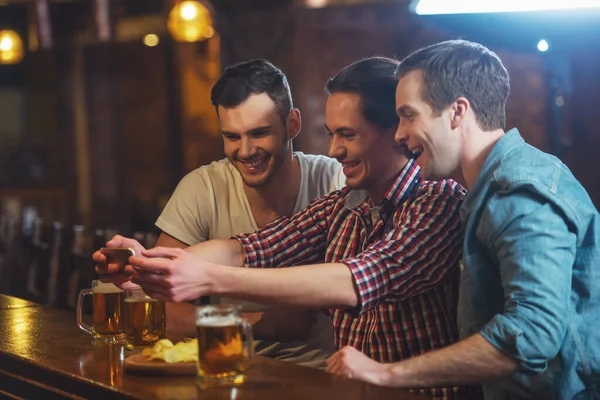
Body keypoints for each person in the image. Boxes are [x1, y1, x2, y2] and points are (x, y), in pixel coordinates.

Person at [98, 57, 469, 399]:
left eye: (348, 135)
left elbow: (355, 280)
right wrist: (146, 261)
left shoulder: (438, 201)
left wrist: (209, 279)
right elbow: (251, 248)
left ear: (397, 132)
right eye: (332, 134)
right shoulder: (345, 204)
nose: (335, 150)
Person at [325, 40, 600, 399]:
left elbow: (531, 335)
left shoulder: (516, 192)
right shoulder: (493, 185)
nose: (399, 134)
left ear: (457, 111)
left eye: (409, 115)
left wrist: (385, 373)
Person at [118, 59, 345, 369]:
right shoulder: (203, 186)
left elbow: (354, 281)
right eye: (232, 137)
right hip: (228, 367)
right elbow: (156, 308)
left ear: (292, 124)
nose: (246, 151)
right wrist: (254, 322)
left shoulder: (336, 183)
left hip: (323, 373)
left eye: (260, 133)